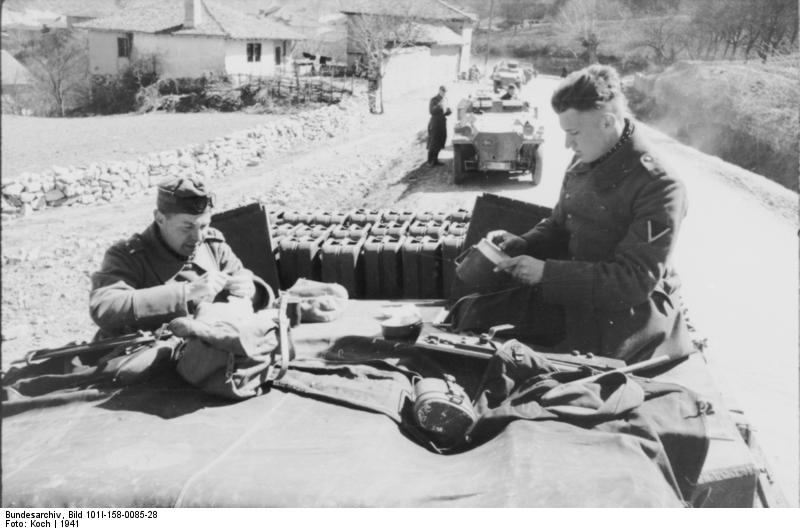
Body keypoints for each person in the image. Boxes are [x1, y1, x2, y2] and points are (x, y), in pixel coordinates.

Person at [462, 64, 692, 363]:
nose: (567, 144)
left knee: (531, 369)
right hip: (573, 291)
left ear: (608, 122)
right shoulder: (587, 156)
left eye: (573, 133)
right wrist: (526, 242)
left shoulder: (659, 186)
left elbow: (632, 281)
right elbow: (560, 223)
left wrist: (546, 274)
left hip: (626, 317)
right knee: (473, 318)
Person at [90, 177, 267, 338]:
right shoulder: (129, 256)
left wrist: (251, 289)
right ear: (160, 218)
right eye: (187, 227)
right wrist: (187, 292)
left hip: (209, 352)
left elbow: (242, 277)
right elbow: (104, 306)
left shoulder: (213, 245)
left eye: (204, 226)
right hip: (153, 359)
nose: (198, 237)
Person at [427, 85, 451, 167]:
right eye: (443, 91)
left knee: (441, 141)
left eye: (445, 92)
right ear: (439, 91)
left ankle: (436, 159)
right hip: (435, 123)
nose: (444, 93)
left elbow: (444, 111)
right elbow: (431, 111)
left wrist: (448, 111)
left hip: (442, 122)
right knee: (433, 142)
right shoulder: (434, 99)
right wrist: (439, 106)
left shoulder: (445, 100)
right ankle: (430, 161)